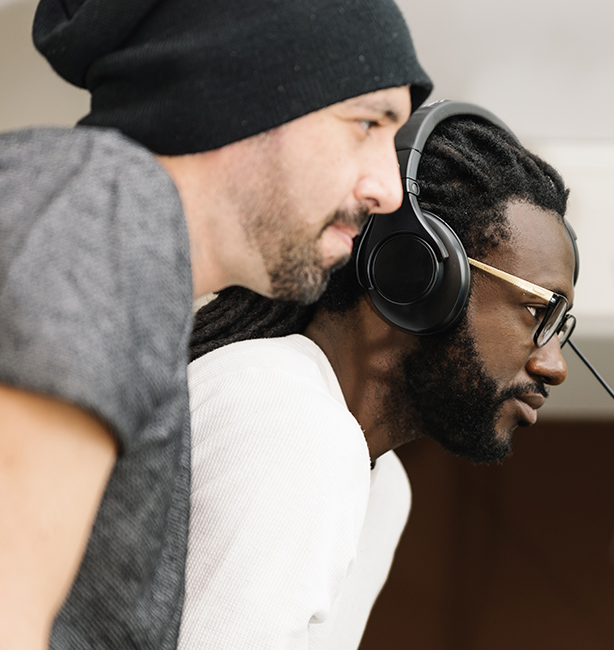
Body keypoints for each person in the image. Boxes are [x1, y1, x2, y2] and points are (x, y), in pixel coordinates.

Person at [0, 1, 432, 648]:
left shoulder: (118, 237)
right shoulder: (105, 203)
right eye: (367, 123)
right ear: (242, 92)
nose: (388, 190)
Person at [181, 106, 577, 648]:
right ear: (416, 272)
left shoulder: (382, 483)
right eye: (538, 312)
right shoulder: (285, 418)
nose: (554, 365)